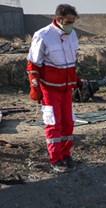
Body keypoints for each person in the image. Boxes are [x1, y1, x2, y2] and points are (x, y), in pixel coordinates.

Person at [27, 4, 81, 173]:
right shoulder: (43, 36)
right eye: (68, 22)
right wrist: (34, 87)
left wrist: (76, 79)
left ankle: (65, 154)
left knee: (68, 123)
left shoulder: (72, 35)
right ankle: (55, 159)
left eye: (73, 22)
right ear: (59, 19)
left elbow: (71, 63)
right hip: (50, 89)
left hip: (66, 88)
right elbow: (33, 65)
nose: (71, 25)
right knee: (53, 123)